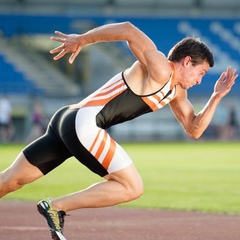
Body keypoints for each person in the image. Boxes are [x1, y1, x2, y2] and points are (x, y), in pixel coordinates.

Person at [0, 21, 238, 240]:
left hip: (66, 119)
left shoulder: (176, 92)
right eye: (201, 73)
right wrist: (82, 39)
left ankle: (54, 207)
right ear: (187, 61)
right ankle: (56, 207)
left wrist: (216, 96)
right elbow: (128, 30)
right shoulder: (161, 68)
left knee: (11, 180)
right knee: (132, 187)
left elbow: (194, 130)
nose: (199, 80)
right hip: (84, 123)